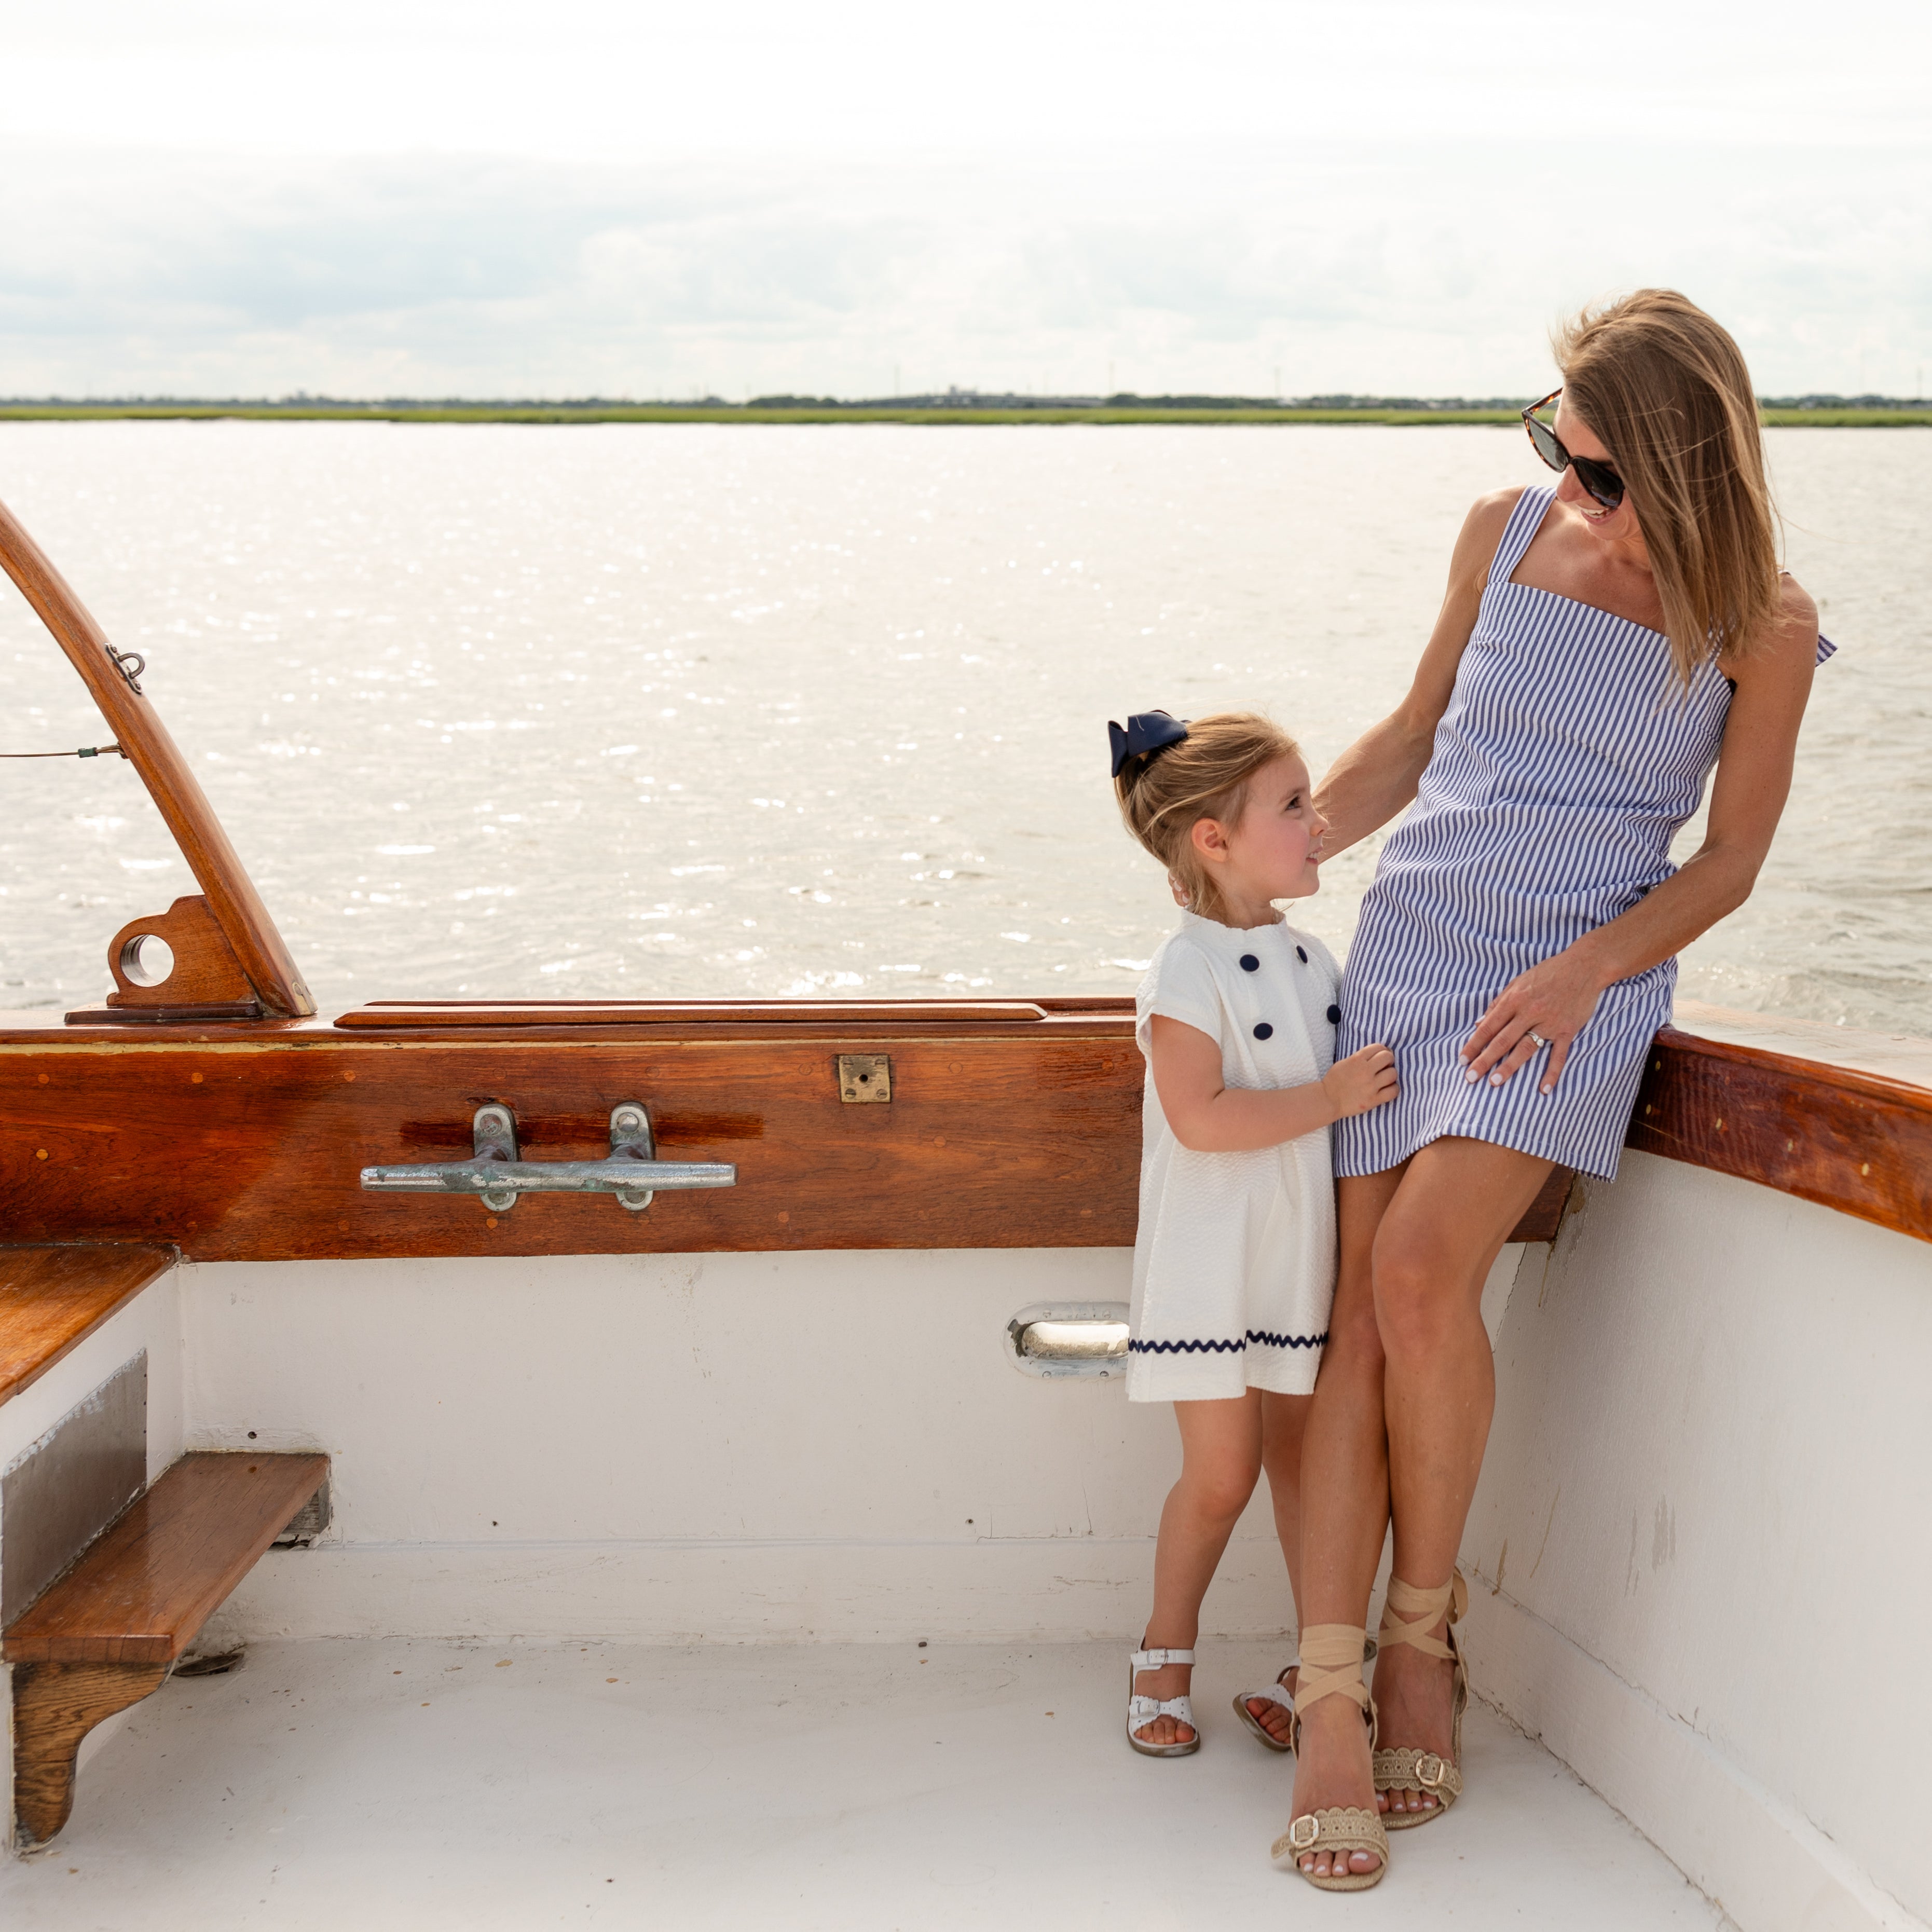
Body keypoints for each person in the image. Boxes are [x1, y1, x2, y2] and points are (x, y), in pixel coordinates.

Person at [1278, 290, 1835, 1890]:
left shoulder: (1763, 624)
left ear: (1684, 458)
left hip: (1573, 980)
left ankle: (1419, 1638)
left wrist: (1587, 970)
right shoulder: (1501, 532)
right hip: (1414, 942)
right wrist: (1267, 859)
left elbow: (1728, 861)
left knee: (1415, 1273)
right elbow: (1412, 739)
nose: (1566, 486)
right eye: (1557, 450)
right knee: (1351, 1316)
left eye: (1595, 467)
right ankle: (1328, 1694)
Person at [1107, 708, 1397, 1765]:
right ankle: (1162, 1655)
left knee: (1307, 1470)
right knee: (1222, 1472)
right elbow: (1200, 1118)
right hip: (1212, 1261)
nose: (1319, 823)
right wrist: (1327, 1098)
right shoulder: (1183, 970)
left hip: (1297, 1254)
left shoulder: (1316, 961)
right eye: (1292, 805)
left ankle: (1318, 1671)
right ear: (1213, 840)